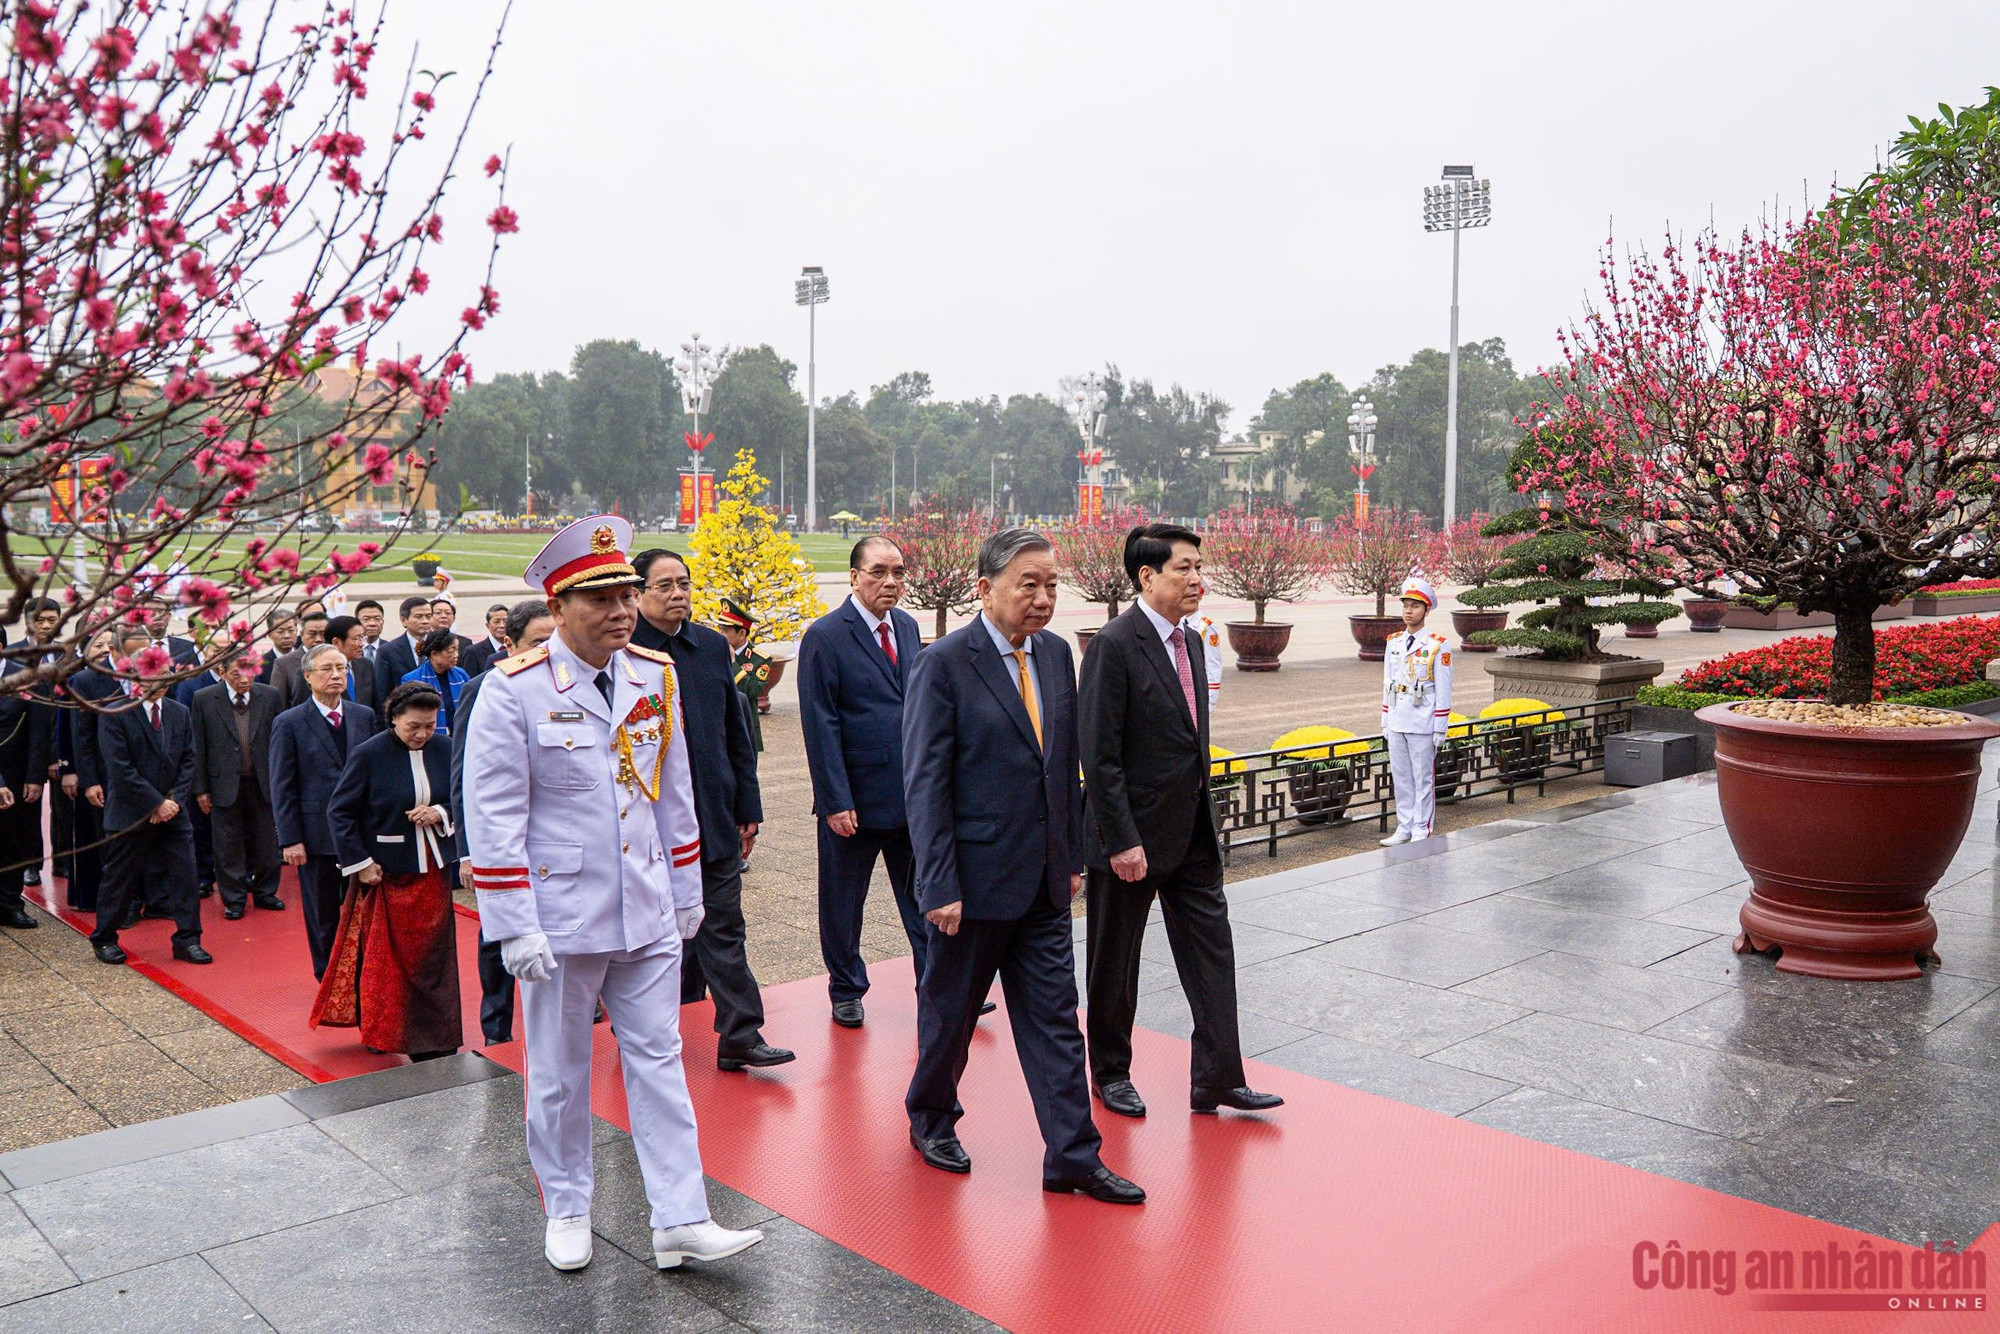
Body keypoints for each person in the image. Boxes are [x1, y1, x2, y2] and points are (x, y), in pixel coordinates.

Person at [465, 516, 764, 1273]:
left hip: (648, 905)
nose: (622, 609)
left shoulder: (650, 675)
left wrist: (688, 888)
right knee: (561, 1073)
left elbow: (673, 792)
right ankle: (566, 1205)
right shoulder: (515, 691)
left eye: (627, 593)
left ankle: (680, 1217)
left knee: (659, 1060)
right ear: (559, 606)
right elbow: (495, 816)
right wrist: (513, 925)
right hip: (561, 918)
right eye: (601, 596)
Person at [902, 528, 1143, 1204]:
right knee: (948, 1016)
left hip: (1042, 883)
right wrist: (938, 881)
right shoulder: (945, 663)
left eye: (1050, 585)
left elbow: (1061, 769)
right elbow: (925, 782)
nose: (1042, 599)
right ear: (985, 589)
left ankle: (1072, 1154)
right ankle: (931, 1116)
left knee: (1055, 1020)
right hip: (970, 886)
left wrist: (1068, 857)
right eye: (1027, 585)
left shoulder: (1058, 654)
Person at [1079, 524, 1284, 1119]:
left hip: (1192, 831)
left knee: (1212, 953)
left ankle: (1218, 1077)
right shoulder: (1113, 645)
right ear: (1148, 576)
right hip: (1131, 840)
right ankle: (1110, 1073)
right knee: (1115, 963)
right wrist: (1120, 838)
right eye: (1184, 568)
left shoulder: (1192, 640)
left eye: (1199, 567)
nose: (1197, 579)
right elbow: (1099, 753)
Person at [627, 550, 787, 1073]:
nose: (678, 594)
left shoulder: (712, 646)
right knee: (652, 938)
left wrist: (747, 806)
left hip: (712, 818)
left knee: (724, 928)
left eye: (685, 584)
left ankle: (741, 1032)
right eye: (664, 585)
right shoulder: (622, 652)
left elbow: (735, 733)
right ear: (638, 593)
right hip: (647, 829)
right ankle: (644, 1036)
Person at [795, 536, 930, 1028]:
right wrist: (834, 798)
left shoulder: (909, 627)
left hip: (910, 795)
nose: (890, 582)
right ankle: (846, 988)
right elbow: (820, 721)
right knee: (843, 901)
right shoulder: (827, 636)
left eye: (898, 571)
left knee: (925, 895)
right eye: (878, 572)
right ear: (855, 577)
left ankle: (936, 981)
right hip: (852, 799)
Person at [312, 681, 462, 1060]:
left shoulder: (446, 748)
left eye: (429, 725)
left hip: (434, 874)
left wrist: (440, 813)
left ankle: (436, 1036)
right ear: (394, 718)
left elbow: (463, 798)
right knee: (388, 963)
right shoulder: (369, 754)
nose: (422, 734)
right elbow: (340, 812)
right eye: (414, 726)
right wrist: (361, 863)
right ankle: (387, 1033)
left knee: (435, 961)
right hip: (387, 874)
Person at [449, 599, 551, 1046]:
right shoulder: (485, 687)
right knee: (499, 936)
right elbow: (466, 777)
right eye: (538, 643)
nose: (548, 654)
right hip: (502, 841)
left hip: (554, 844)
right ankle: (496, 1028)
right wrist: (470, 851)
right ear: (508, 644)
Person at [271, 644, 381, 980]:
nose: (336, 675)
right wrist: (290, 840)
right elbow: (282, 785)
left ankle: (364, 974)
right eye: (327, 669)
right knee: (321, 914)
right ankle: (328, 977)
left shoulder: (363, 715)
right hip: (315, 835)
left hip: (360, 834)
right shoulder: (289, 722)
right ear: (307, 677)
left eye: (342, 668)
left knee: (364, 910)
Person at [92, 677, 208, 965]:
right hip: (131, 813)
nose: (161, 682)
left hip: (174, 812)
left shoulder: (178, 711)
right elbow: (119, 768)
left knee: (186, 876)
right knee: (120, 878)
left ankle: (188, 939)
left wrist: (172, 801)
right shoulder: (116, 712)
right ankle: (104, 937)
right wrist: (157, 803)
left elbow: (188, 761)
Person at [190, 652, 286, 920]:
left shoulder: (269, 695)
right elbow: (198, 745)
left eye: (249, 673)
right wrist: (201, 789)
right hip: (223, 783)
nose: (244, 680)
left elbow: (279, 741)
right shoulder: (205, 699)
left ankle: (266, 891)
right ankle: (234, 899)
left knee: (267, 841)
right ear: (222, 673)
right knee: (227, 844)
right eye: (236, 674)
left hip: (263, 781)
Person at [55, 628, 126, 914]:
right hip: (90, 769)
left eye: (109, 643)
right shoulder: (79, 680)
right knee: (92, 835)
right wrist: (69, 769)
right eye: (98, 644)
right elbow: (69, 730)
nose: (104, 648)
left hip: (122, 770)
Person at [1380, 575, 1453, 846]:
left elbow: (1443, 689)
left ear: (1426, 610)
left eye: (1415, 606)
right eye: (1406, 606)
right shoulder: (1394, 642)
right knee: (1401, 777)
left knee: (1423, 780)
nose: (1408, 611)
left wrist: (1439, 728)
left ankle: (1422, 827)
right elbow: (1387, 683)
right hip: (1399, 718)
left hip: (1423, 721)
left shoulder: (1437, 645)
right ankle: (1404, 826)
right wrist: (1385, 720)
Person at [0, 645, 53, 928]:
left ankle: (10, 903)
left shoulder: (26, 678)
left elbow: (39, 730)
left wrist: (35, 776)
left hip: (17, 774)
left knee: (14, 840)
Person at [714, 600, 775, 753]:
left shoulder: (760, 659)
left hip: (745, 730)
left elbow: (751, 691)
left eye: (725, 631)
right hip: (718, 729)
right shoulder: (714, 653)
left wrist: (733, 662)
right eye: (720, 629)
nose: (720, 635)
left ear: (742, 634)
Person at [401, 629, 467, 734]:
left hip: (459, 735)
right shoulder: (412, 679)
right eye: (451, 651)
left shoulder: (461, 675)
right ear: (435, 654)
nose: (456, 655)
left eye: (457, 650)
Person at [372, 596, 432, 705]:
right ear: (404, 620)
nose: (425, 621)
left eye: (428, 616)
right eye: (419, 617)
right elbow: (382, 694)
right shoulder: (387, 651)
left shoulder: (440, 646)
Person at [323, 614, 380, 716]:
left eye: (363, 638)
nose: (362, 644)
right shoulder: (316, 670)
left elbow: (376, 706)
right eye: (356, 638)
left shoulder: (365, 665)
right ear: (336, 642)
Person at [461, 604, 511, 676]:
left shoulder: (517, 648)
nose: (502, 625)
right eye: (497, 622)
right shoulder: (473, 652)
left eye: (505, 621)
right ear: (488, 626)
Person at [258, 612, 300, 685]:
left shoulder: (305, 659)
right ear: (269, 634)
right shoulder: (261, 664)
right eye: (280, 632)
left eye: (291, 631)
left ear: (297, 631)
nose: (286, 636)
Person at [354, 599, 386, 667]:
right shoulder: (351, 650)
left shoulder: (391, 650)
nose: (372, 623)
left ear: (383, 622)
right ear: (356, 622)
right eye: (366, 619)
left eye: (377, 619)